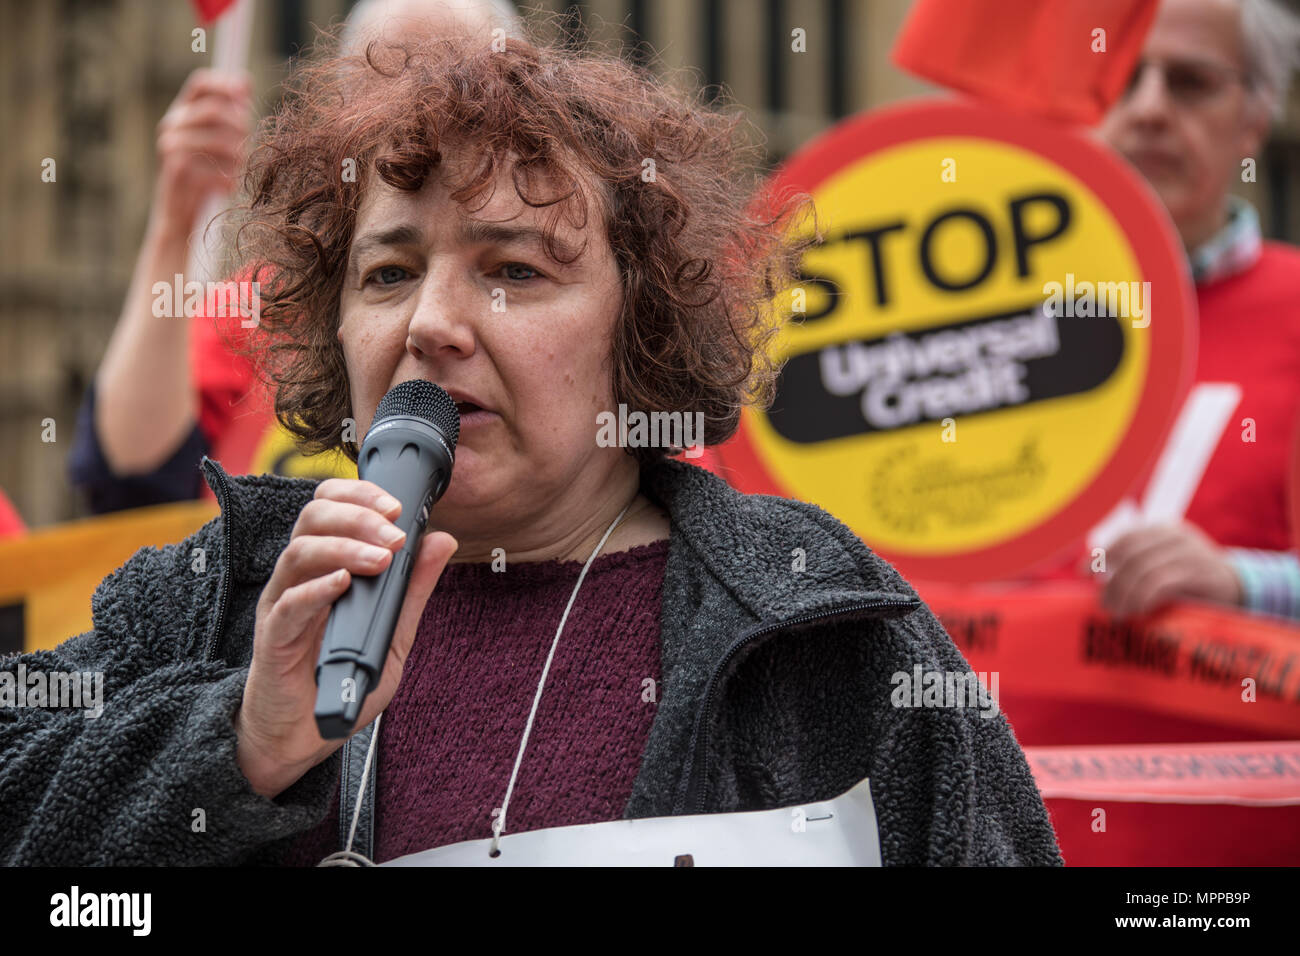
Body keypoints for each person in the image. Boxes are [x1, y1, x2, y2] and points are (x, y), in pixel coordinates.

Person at [2, 27, 1062, 867]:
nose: (431, 322)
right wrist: (234, 744)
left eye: (512, 269)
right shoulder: (216, 589)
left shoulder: (817, 617)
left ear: (636, 326)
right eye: (386, 274)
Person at [67, 0, 522, 514]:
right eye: (388, 94)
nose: (418, 131)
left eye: (461, 95)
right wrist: (176, 220)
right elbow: (131, 479)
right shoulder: (267, 305)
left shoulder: (552, 301)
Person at [1091, 0, 1300, 618]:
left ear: (1254, 121)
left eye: (1191, 83)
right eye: (1119, 77)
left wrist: (1243, 583)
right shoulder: (971, 321)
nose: (1150, 108)